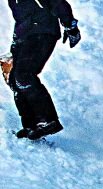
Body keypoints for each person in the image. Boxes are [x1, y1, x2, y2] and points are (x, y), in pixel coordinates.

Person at [6, 0, 80, 141]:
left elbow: (58, 3)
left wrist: (71, 26)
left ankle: (47, 120)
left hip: (43, 31)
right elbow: (21, 18)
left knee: (24, 75)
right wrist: (16, 40)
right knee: (14, 79)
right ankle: (31, 124)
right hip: (25, 36)